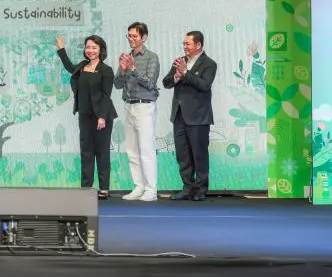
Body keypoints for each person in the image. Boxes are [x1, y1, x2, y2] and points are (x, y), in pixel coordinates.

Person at [56, 34, 118, 200]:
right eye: (88, 47)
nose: (90, 50)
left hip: (102, 117)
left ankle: (104, 188)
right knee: (86, 152)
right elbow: (70, 67)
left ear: (101, 50)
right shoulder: (83, 66)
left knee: (102, 152)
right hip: (84, 115)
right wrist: (61, 49)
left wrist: (102, 117)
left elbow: (106, 95)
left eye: (94, 48)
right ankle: (86, 187)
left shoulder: (106, 70)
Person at [161, 30, 217, 202]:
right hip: (179, 116)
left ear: (198, 45)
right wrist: (177, 76)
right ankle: (187, 187)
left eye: (188, 44)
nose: (184, 47)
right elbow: (166, 82)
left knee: (199, 155)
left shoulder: (209, 64)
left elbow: (204, 85)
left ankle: (201, 189)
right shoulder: (180, 61)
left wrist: (186, 73)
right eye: (184, 44)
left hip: (198, 117)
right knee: (183, 155)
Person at [113, 22, 160, 202]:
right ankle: (138, 187)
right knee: (132, 150)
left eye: (134, 36)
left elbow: (150, 83)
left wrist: (133, 69)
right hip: (129, 105)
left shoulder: (151, 57)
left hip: (144, 106)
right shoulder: (127, 57)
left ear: (144, 37)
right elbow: (118, 85)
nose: (131, 39)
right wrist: (123, 69)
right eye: (129, 36)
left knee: (146, 149)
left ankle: (151, 190)